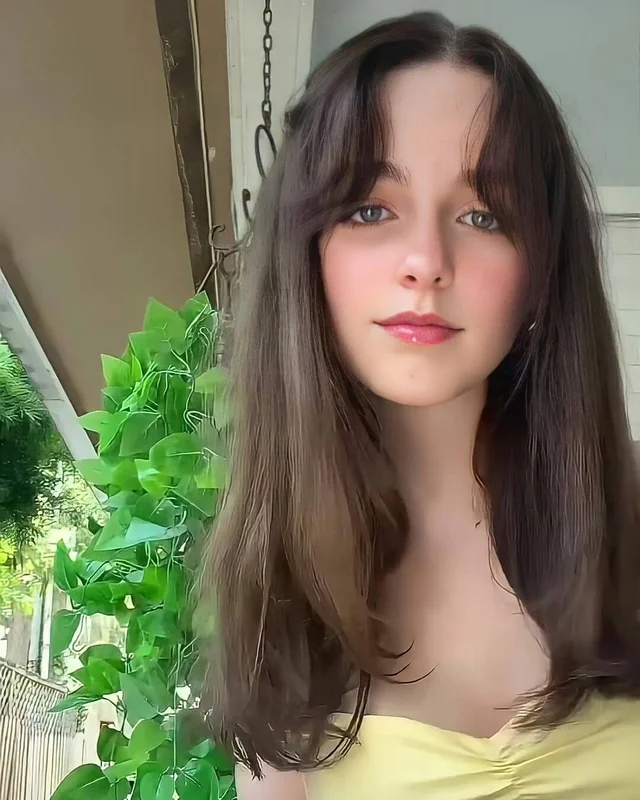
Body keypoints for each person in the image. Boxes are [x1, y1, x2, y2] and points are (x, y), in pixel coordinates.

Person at [198, 11, 640, 799]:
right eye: (370, 208)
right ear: (306, 255)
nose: (426, 262)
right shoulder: (280, 595)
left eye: (484, 214)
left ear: (541, 272)